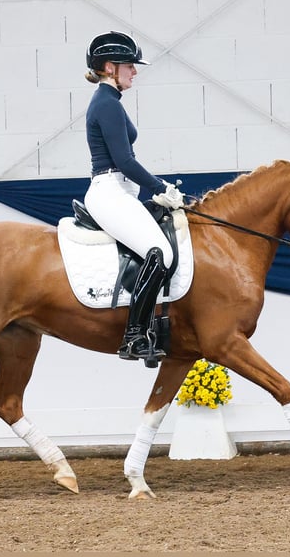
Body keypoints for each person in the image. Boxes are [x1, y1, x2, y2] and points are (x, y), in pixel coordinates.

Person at [82, 31, 184, 362]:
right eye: (129, 66)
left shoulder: (110, 102)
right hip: (110, 192)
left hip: (120, 191)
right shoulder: (106, 104)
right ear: (110, 68)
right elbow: (125, 160)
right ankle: (134, 336)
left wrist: (154, 187)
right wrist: (161, 188)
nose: (134, 72)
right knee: (159, 252)